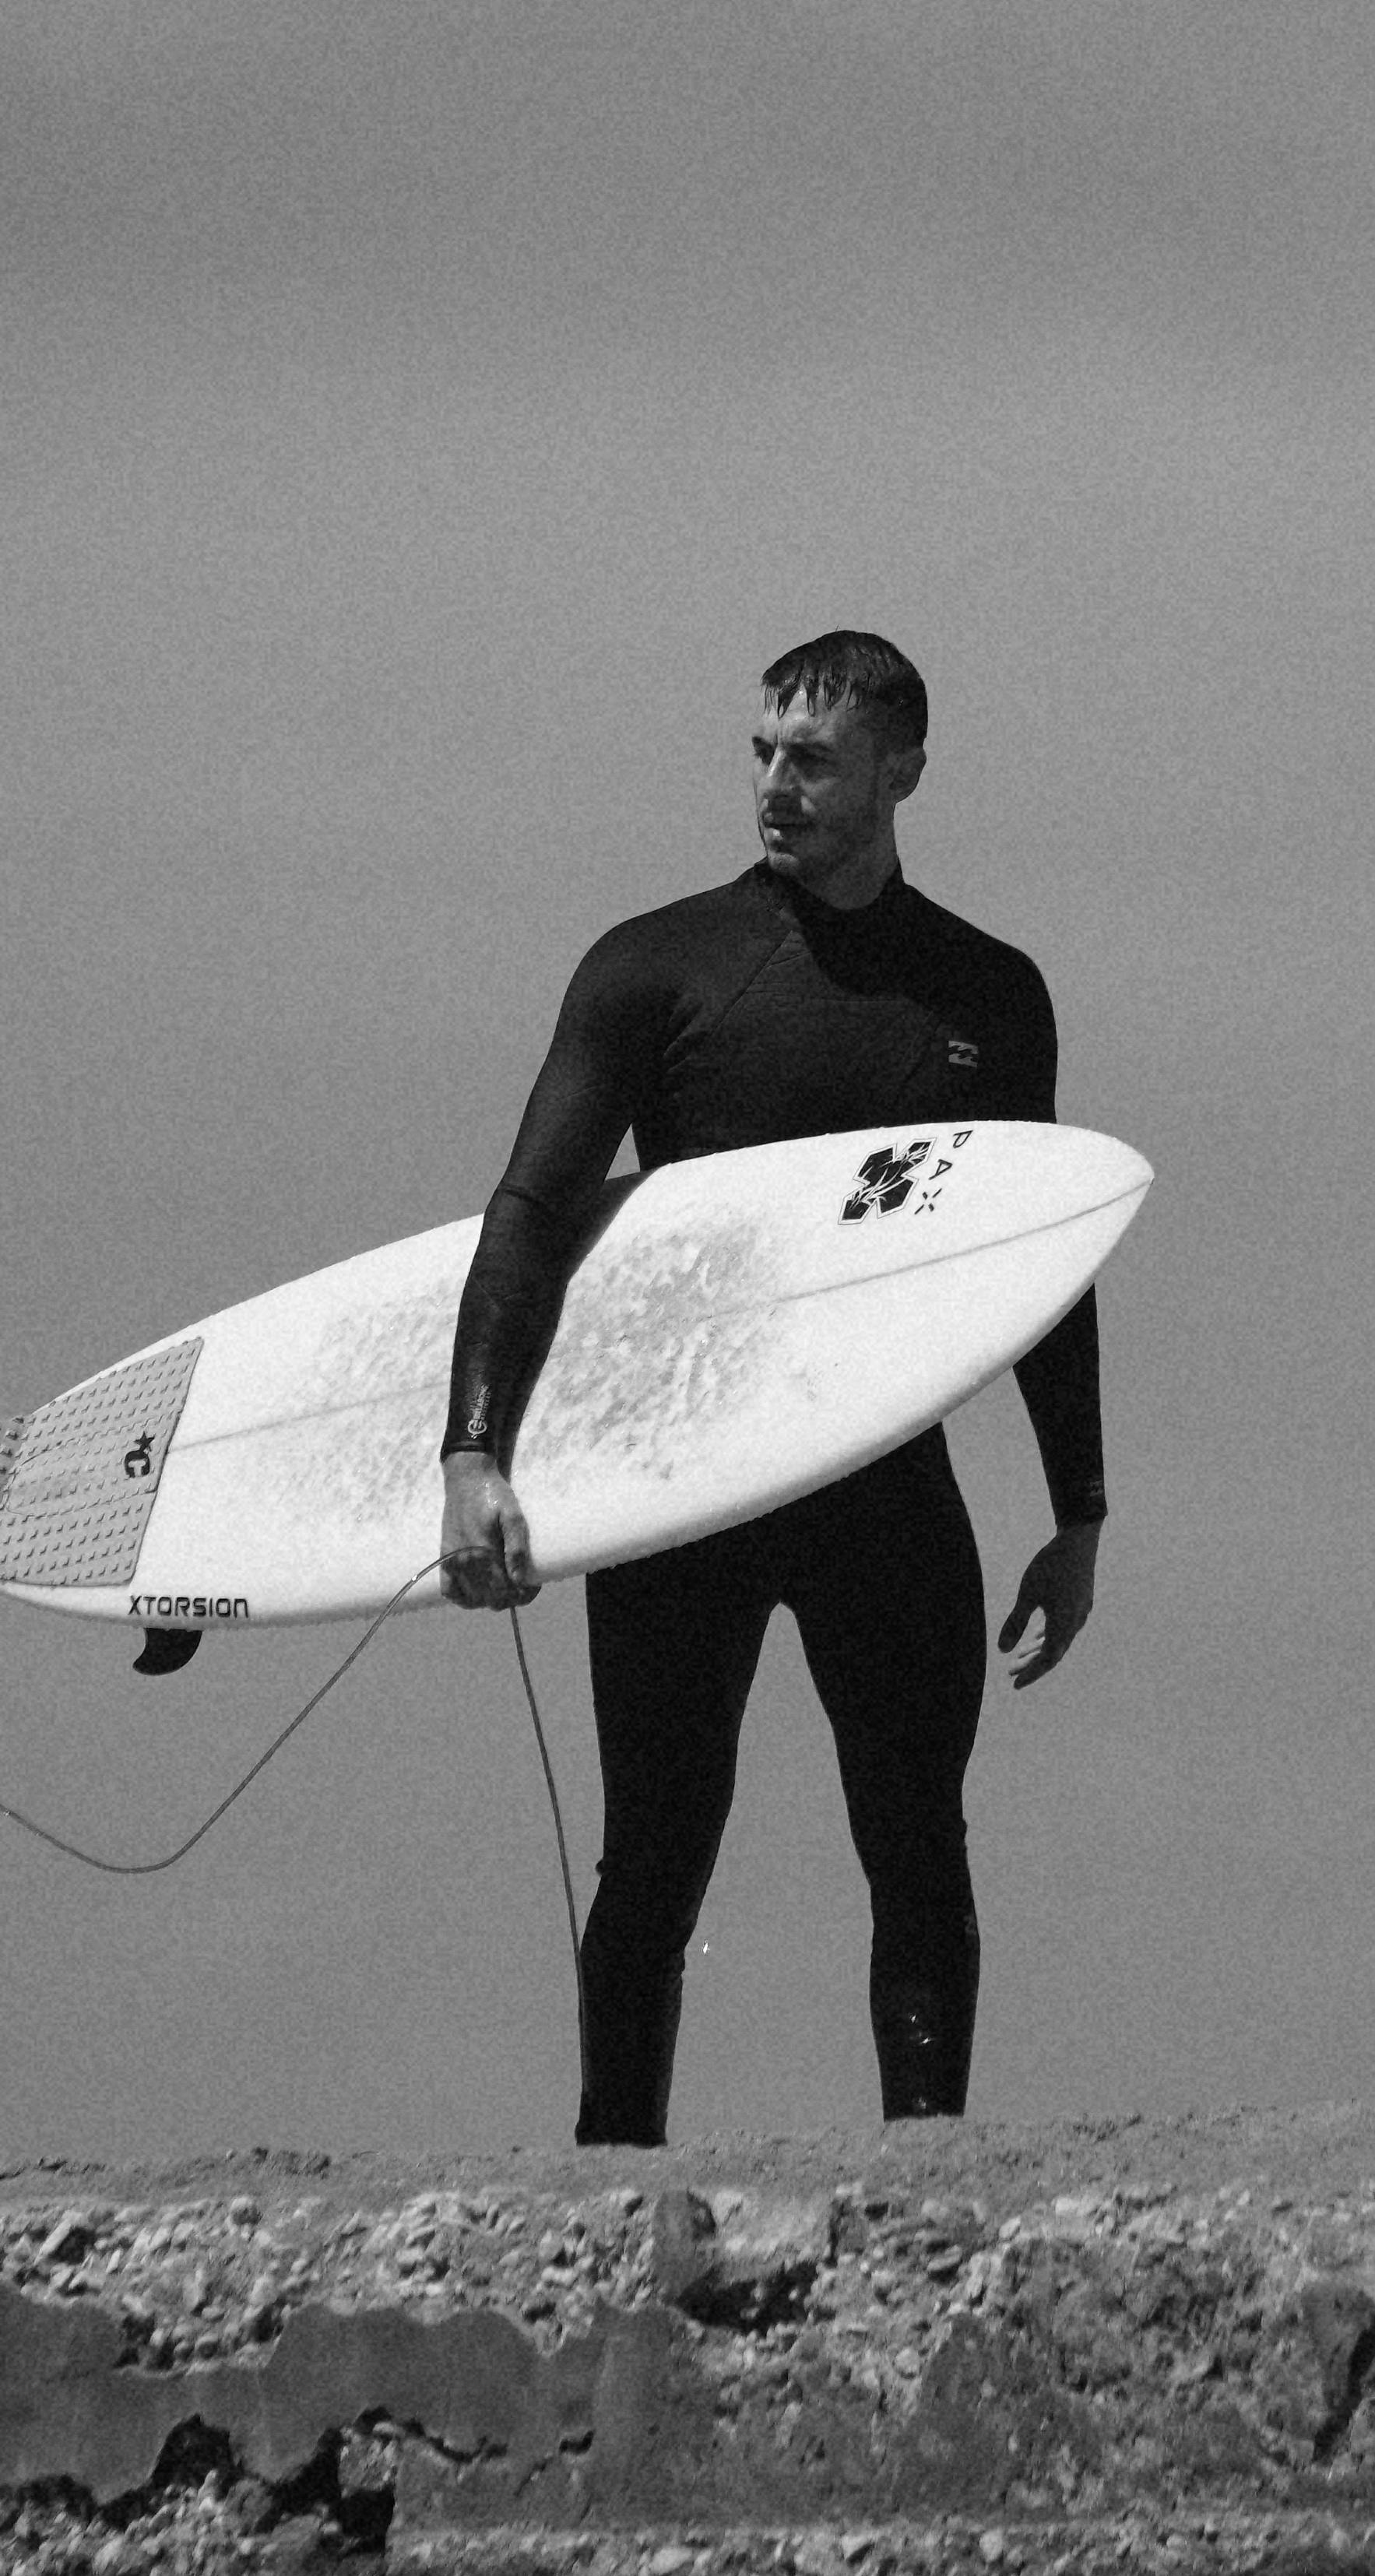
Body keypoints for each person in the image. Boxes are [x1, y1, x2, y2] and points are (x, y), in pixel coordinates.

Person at [438, 631, 1107, 2141]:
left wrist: (1077, 1507)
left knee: (916, 1840)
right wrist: (472, 1451)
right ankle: (610, 2173)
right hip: (687, 1481)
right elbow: (531, 1213)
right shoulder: (654, 970)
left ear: (901, 771)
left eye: (808, 759)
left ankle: (926, 2169)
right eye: (759, 753)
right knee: (655, 1858)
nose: (773, 785)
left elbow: (1039, 1259)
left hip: (881, 1477)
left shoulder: (986, 997)